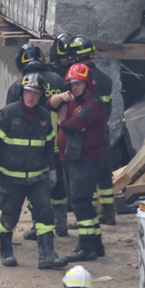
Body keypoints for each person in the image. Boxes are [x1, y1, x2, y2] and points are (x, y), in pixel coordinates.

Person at [0, 74, 63, 269]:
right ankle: (6, 250)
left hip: (38, 178)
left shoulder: (44, 116)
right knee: (9, 216)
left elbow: (49, 147)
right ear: (22, 92)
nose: (31, 96)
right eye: (28, 92)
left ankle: (47, 255)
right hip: (12, 178)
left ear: (40, 96)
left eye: (35, 93)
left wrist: (52, 171)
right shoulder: (7, 114)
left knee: (45, 214)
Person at [7, 43, 69, 240]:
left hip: (32, 147)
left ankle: (38, 225)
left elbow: (10, 115)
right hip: (57, 143)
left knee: (35, 186)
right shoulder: (58, 80)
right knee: (58, 184)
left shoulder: (19, 85)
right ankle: (61, 223)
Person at [50, 63, 107, 262]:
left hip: (85, 160)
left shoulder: (94, 105)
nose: (74, 88)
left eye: (77, 84)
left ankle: (86, 247)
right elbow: (50, 104)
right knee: (83, 203)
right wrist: (60, 99)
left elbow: (74, 125)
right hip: (71, 159)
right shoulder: (74, 100)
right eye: (71, 84)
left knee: (80, 202)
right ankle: (96, 244)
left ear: (87, 84)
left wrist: (61, 122)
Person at [70, 36, 118, 226]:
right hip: (102, 131)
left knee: (85, 176)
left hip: (84, 135)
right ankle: (108, 212)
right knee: (104, 173)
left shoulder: (79, 80)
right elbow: (109, 109)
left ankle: (87, 216)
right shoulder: (105, 79)